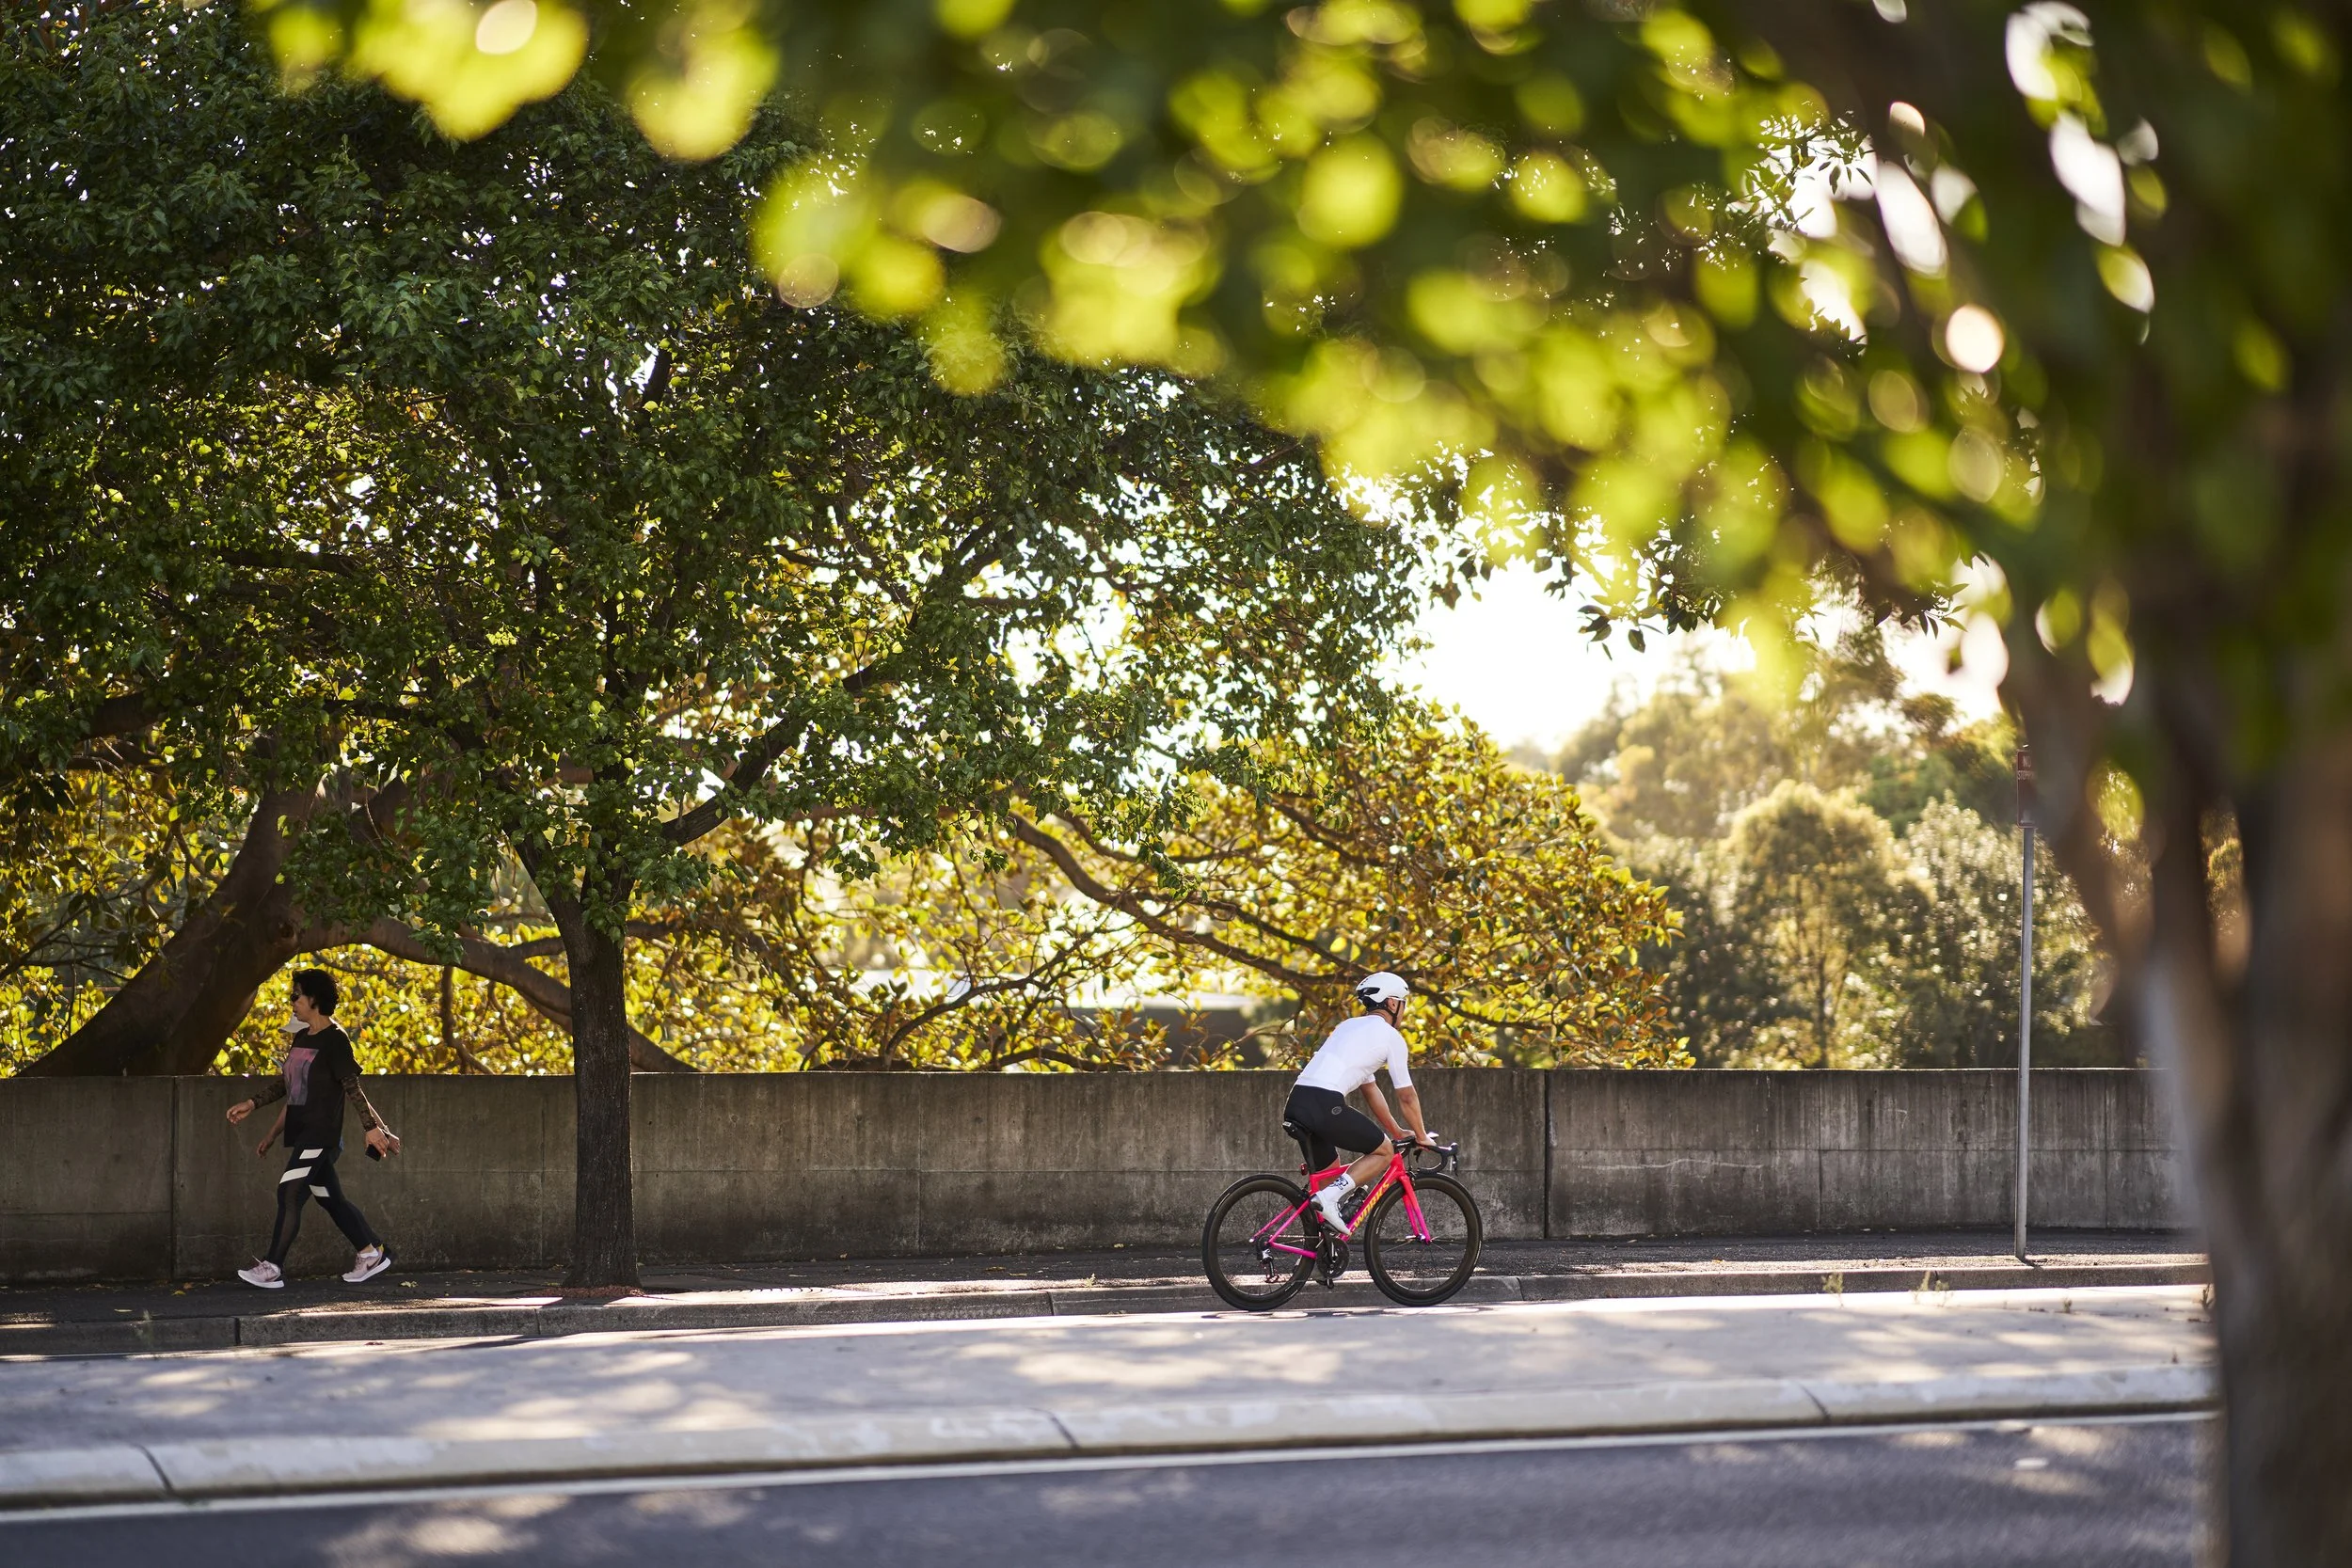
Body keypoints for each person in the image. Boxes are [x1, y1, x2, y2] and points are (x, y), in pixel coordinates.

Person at [224, 969, 400, 1288]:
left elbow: (353, 1087)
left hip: (321, 1137)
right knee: (330, 1198)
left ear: (314, 999)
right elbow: (289, 1085)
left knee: (289, 1191)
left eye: (296, 995)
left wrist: (374, 1129)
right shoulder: (303, 1037)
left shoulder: (335, 1040)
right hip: (303, 1134)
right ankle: (371, 1252)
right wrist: (254, 1106)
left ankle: (272, 1267)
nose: (291, 1001)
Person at [1282, 971, 1436, 1237]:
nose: (1403, 1010)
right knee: (1384, 1152)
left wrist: (1398, 1131)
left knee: (1330, 1176)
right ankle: (1329, 1199)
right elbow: (1406, 1095)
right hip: (1323, 1102)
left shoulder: (1347, 1027)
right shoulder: (1390, 1037)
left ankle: (1318, 1254)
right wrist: (1421, 1135)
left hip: (1298, 1103)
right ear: (1391, 1003)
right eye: (1402, 1003)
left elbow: (1370, 1088)